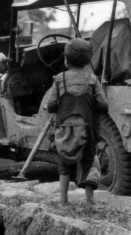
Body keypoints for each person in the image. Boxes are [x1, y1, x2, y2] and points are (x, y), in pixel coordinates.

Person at [46, 39, 107, 206]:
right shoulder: (93, 79)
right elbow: (103, 105)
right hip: (87, 131)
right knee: (89, 162)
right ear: (88, 61)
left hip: (65, 131)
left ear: (66, 60)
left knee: (64, 165)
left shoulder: (59, 79)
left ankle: (64, 201)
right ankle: (89, 200)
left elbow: (51, 105)